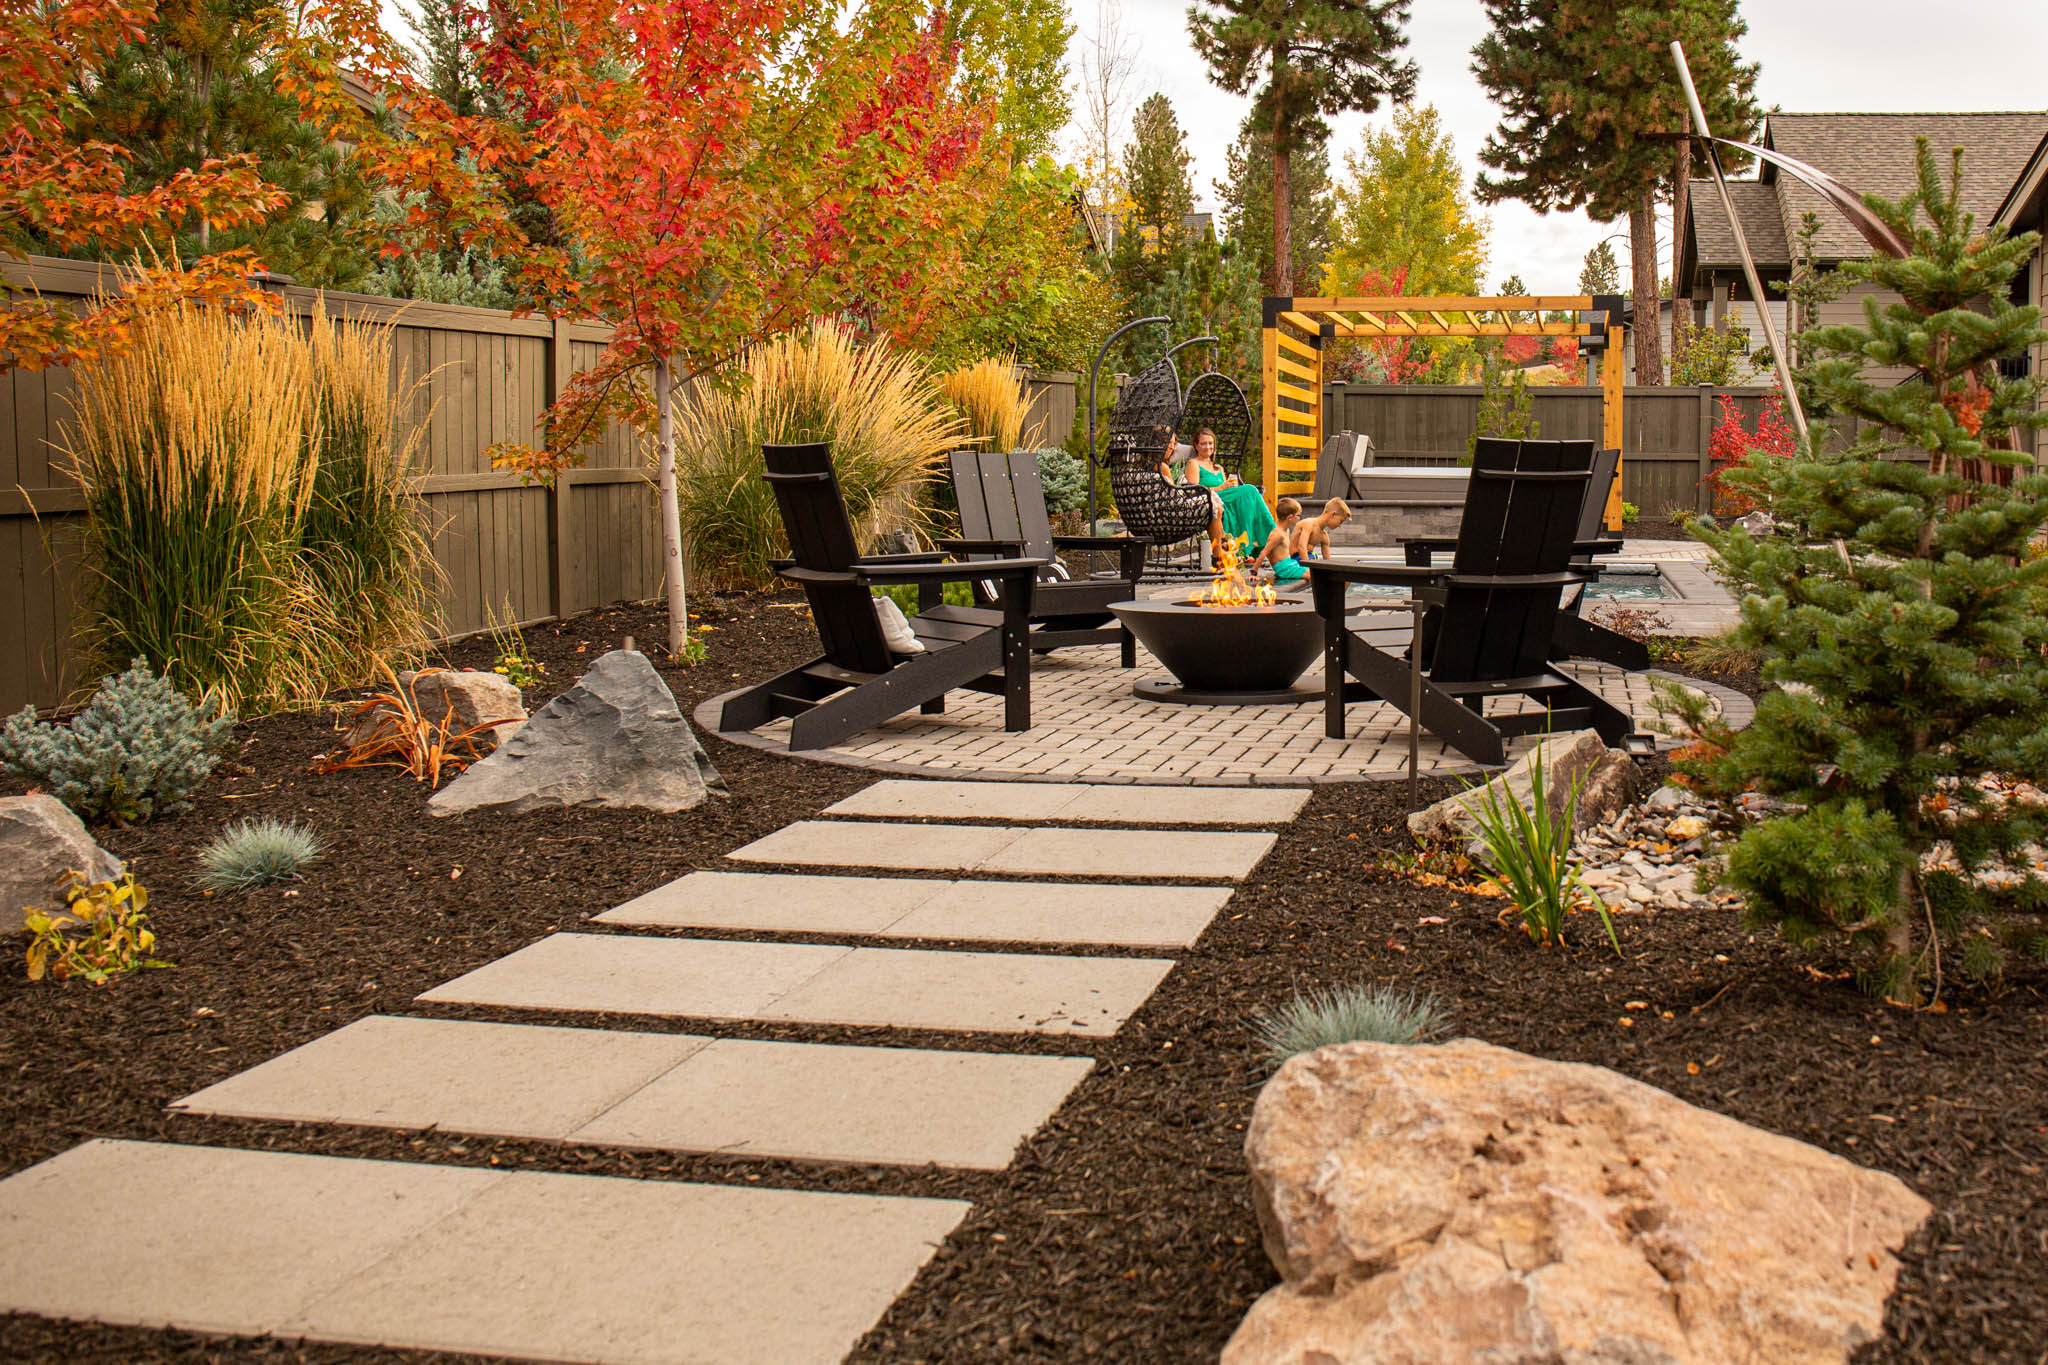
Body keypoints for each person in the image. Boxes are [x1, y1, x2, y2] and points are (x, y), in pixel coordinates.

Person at [1182, 427, 1277, 553]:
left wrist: (1234, 489)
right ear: (1196, 445)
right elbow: (1194, 491)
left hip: (1226, 500)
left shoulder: (1219, 468)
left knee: (1246, 503)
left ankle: (1248, 549)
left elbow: (1228, 489)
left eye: (1210, 443)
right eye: (1203, 443)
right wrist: (1221, 487)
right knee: (1250, 490)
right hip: (1209, 501)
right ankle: (1273, 536)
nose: (1207, 446)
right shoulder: (1193, 464)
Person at [1254, 498, 1306, 583]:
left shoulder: (1286, 530)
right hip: (1283, 568)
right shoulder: (1278, 534)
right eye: (1298, 515)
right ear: (1290, 517)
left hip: (1289, 564)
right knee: (1313, 576)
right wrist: (1254, 572)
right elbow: (1264, 552)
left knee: (1315, 571)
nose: (1299, 518)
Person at [1292, 498, 1353, 565]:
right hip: (1293, 559)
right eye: (1340, 521)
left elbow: (1328, 562)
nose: (1340, 525)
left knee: (1315, 558)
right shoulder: (1309, 524)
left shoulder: (1324, 536)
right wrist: (1308, 569)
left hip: (1306, 558)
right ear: (1333, 514)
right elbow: (1301, 547)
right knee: (1313, 558)